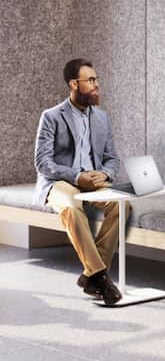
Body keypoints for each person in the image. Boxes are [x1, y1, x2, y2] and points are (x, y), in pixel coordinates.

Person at [32, 58, 124, 304]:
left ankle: (91, 275)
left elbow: (112, 158)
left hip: (92, 180)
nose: (96, 85)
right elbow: (42, 163)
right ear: (74, 83)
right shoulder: (52, 116)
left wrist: (104, 174)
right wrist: (76, 176)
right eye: (90, 80)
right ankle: (101, 278)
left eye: (96, 80)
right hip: (60, 181)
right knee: (72, 209)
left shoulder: (102, 117)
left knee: (121, 206)